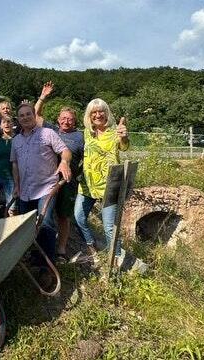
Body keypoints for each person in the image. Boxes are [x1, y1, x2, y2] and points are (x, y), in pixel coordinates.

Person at [74, 99, 146, 272]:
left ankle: (117, 256)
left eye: (101, 111)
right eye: (94, 112)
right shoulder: (86, 133)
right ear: (89, 116)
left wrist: (124, 135)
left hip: (109, 185)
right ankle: (91, 246)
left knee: (109, 226)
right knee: (78, 217)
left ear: (106, 113)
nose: (98, 115)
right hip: (87, 185)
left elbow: (124, 147)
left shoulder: (115, 132)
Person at [11, 103, 72, 261]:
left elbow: (65, 151)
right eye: (22, 115)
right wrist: (17, 186)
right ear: (18, 119)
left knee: (45, 224)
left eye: (28, 114)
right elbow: (15, 164)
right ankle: (31, 256)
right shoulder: (16, 140)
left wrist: (64, 162)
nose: (25, 117)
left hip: (46, 187)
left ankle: (46, 265)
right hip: (25, 191)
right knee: (26, 227)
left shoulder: (47, 133)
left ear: (34, 115)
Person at [35, 81, 84, 263]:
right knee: (45, 214)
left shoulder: (80, 137)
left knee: (63, 216)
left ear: (75, 121)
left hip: (68, 183)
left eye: (70, 119)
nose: (66, 121)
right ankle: (43, 247)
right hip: (48, 180)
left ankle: (61, 250)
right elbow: (36, 114)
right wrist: (43, 97)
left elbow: (87, 159)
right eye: (63, 118)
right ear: (58, 119)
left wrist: (79, 174)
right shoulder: (51, 130)